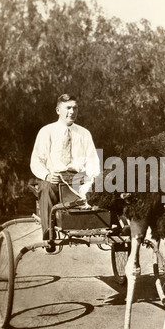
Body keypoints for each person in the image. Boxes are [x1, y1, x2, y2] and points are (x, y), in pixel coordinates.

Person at [30, 94, 100, 244]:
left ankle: (112, 225)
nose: (72, 112)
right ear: (58, 110)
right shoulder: (46, 132)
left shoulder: (84, 133)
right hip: (55, 178)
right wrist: (47, 175)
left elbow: (93, 160)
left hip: (78, 179)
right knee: (46, 187)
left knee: (101, 189)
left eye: (75, 108)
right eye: (68, 108)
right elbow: (36, 161)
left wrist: (92, 178)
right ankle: (48, 232)